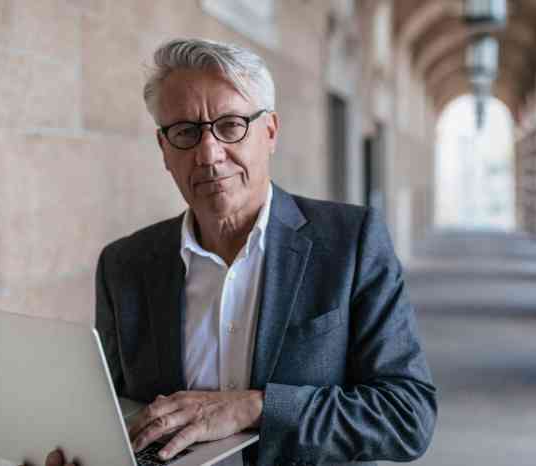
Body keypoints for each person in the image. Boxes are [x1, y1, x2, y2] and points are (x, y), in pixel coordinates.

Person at [28, 38, 437, 466]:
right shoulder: (124, 265)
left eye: (230, 126)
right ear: (164, 149)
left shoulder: (350, 243)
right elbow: (117, 419)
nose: (208, 154)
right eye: (185, 132)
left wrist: (254, 408)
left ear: (270, 132)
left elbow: (407, 414)